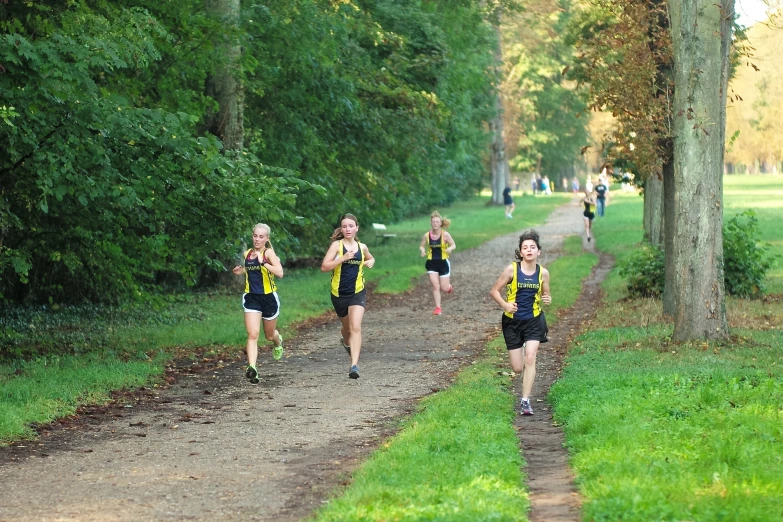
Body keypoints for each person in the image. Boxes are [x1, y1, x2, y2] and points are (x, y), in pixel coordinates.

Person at [489, 229, 551, 416]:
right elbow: (494, 291)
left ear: (539, 251)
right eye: (525, 248)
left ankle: (525, 401)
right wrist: (505, 305)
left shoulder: (543, 273)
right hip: (512, 322)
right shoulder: (511, 270)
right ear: (520, 252)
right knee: (517, 367)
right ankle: (523, 349)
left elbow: (546, 294)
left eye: (533, 247)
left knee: (530, 358)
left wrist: (548, 299)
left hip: (534, 320)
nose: (529, 250)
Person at [321, 213, 375, 379]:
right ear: (341, 229)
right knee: (347, 329)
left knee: (355, 327)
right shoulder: (336, 246)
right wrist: (342, 258)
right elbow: (324, 267)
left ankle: (354, 366)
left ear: (356, 228)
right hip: (339, 294)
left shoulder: (362, 247)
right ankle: (345, 342)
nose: (347, 229)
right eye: (344, 226)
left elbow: (370, 257)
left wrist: (370, 261)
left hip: (357, 292)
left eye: (351, 226)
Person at [232, 224, 285, 385]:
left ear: (267, 238)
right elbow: (250, 271)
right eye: (255, 236)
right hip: (251, 298)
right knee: (253, 334)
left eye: (261, 237)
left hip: (268, 298)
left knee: (269, 335)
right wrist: (241, 271)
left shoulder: (268, 252)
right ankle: (252, 368)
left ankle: (278, 342)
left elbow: (280, 273)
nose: (257, 239)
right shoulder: (247, 253)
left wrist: (264, 263)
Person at [419, 210, 456, 315]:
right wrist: (422, 250)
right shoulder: (427, 236)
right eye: (433, 222)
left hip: (443, 263)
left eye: (437, 222)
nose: (435, 224)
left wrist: (450, 249)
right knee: (435, 285)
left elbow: (453, 245)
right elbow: (422, 245)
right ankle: (438, 308)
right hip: (431, 263)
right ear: (431, 223)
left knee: (444, 288)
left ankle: (449, 287)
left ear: (440, 223)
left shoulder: (445, 235)